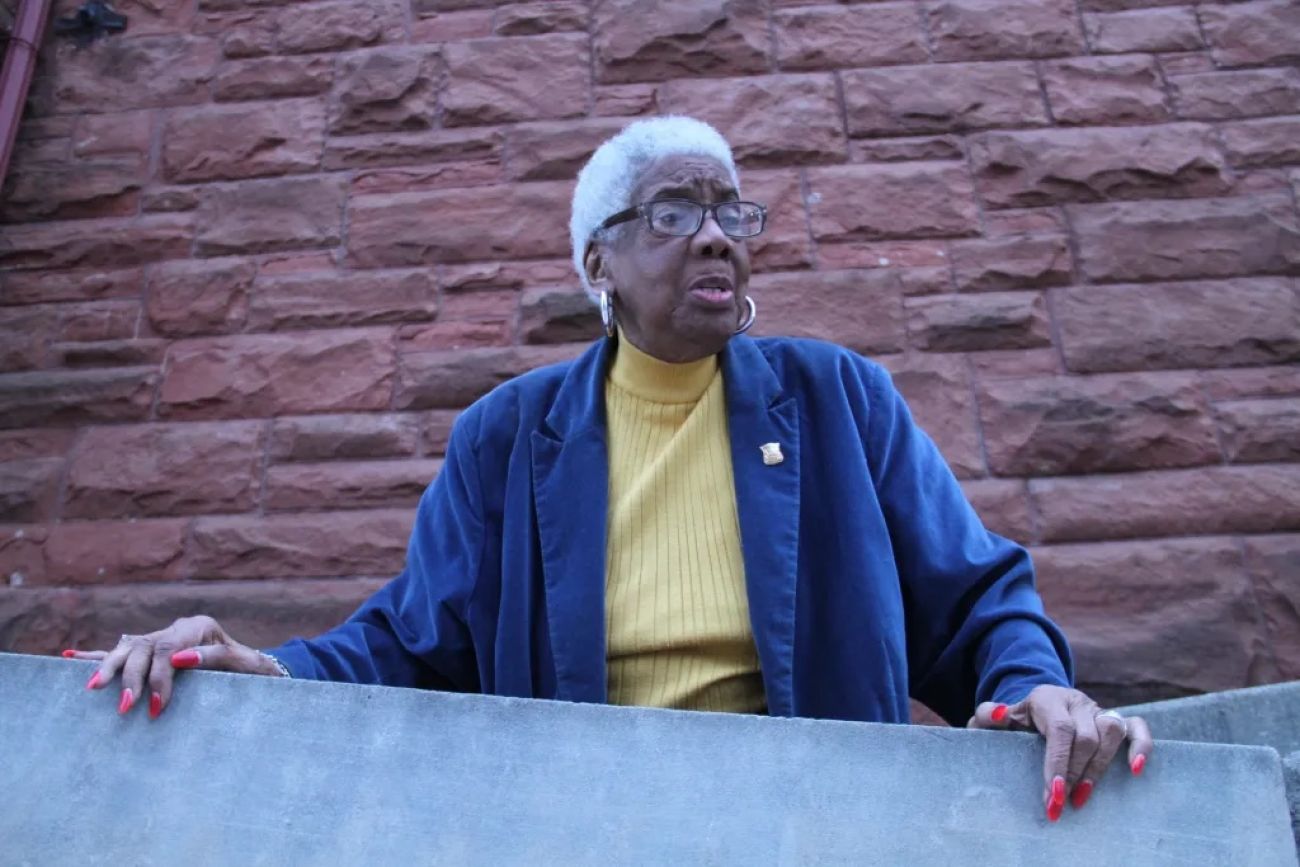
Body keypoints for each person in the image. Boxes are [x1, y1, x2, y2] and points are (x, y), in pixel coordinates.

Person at [65, 116, 1151, 822]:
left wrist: (1033, 687)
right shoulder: (507, 435)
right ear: (598, 264)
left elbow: (972, 598)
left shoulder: (835, 397)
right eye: (675, 214)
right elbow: (411, 642)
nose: (716, 236)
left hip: (818, 816)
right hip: (584, 819)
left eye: (732, 211)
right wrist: (268, 669)